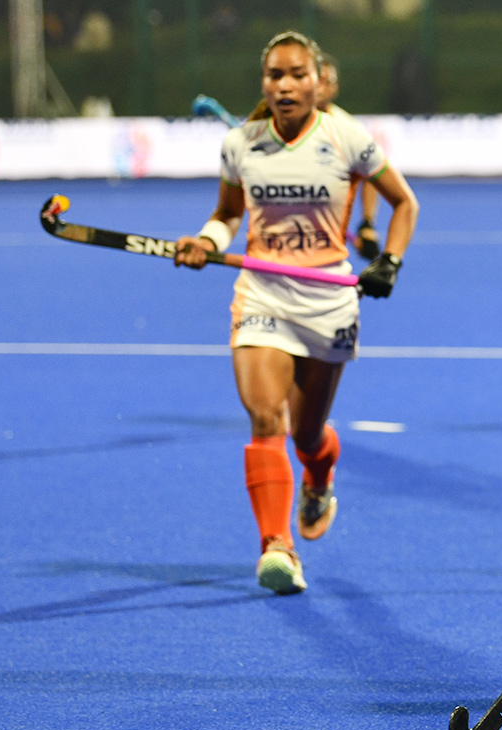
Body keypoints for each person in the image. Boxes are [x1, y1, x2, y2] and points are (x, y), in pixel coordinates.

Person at [174, 30, 419, 594]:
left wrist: (390, 260)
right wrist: (207, 242)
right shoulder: (242, 143)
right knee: (266, 420)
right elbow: (226, 215)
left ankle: (318, 473)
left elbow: (406, 202)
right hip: (262, 292)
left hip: (328, 298)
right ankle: (276, 547)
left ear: (317, 82)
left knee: (307, 434)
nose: (285, 85)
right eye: (275, 76)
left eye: (296, 75)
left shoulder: (347, 137)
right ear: (264, 82)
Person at [317, 54, 383, 262]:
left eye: (329, 82)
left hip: (329, 232)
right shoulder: (284, 124)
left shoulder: (349, 129)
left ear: (336, 88)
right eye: (318, 79)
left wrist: (367, 223)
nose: (322, 87)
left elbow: (372, 173)